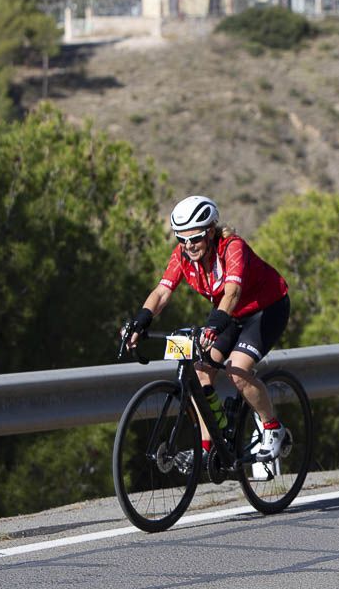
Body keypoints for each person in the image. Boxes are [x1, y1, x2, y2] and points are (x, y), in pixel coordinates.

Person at [125, 195, 291, 464]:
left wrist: (214, 326)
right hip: (230, 314)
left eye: (196, 238)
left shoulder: (232, 248)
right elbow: (162, 292)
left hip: (266, 309)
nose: (188, 246)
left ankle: (274, 428)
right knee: (200, 371)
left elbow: (233, 292)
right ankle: (207, 445)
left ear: (211, 232)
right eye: (182, 239)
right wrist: (140, 321)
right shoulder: (183, 255)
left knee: (237, 370)